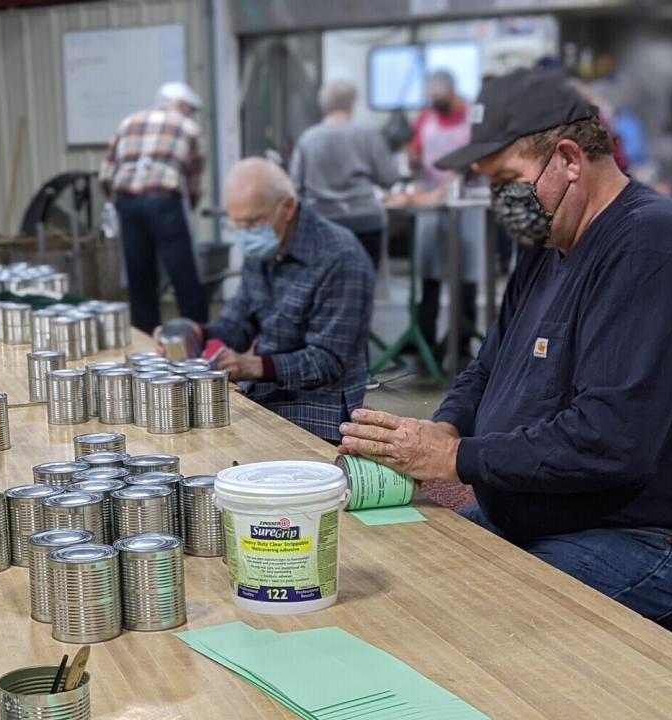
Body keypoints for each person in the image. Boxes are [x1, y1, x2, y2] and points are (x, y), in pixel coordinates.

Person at [339, 69, 672, 632]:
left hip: (665, 540)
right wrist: (445, 428)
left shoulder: (654, 248)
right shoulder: (548, 245)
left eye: (506, 179)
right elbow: (488, 366)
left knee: (457, 607)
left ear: (568, 159)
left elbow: (611, 442)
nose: (498, 201)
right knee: (411, 563)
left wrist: (455, 460)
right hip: (557, 521)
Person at [186, 157, 372, 442]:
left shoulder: (340, 257)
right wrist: (198, 333)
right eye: (236, 225)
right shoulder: (264, 248)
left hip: (319, 407)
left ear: (286, 207)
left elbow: (328, 360)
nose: (245, 235)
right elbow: (240, 319)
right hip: (264, 389)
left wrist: (254, 366)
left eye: (252, 222)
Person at [100, 81, 209, 333]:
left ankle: (148, 341)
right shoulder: (189, 128)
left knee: (140, 278)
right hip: (164, 202)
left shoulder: (128, 122)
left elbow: (106, 173)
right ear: (181, 105)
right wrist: (186, 207)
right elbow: (195, 182)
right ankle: (198, 335)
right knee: (184, 276)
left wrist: (117, 200)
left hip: (127, 202)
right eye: (188, 108)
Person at [405, 69, 485, 361]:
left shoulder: (472, 117)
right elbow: (414, 148)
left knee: (465, 271)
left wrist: (459, 176)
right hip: (430, 200)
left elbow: (480, 156)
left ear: (452, 93)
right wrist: (412, 157)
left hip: (466, 202)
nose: (434, 102)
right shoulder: (425, 117)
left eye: (439, 97)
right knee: (429, 270)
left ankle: (462, 337)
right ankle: (424, 336)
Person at [289, 78, 399, 269]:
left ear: (324, 104)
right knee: (364, 283)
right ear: (352, 103)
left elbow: (294, 185)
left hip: (322, 222)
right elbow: (389, 177)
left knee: (325, 286)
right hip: (365, 222)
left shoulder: (308, 138)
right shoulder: (369, 134)